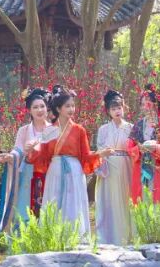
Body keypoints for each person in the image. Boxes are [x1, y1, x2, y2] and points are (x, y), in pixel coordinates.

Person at [27, 85, 112, 240]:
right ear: (58, 109)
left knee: (74, 203)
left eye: (73, 105)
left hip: (74, 171)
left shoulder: (79, 130)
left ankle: (75, 238)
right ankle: (53, 239)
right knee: (53, 201)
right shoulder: (49, 131)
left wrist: (100, 154)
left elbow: (85, 156)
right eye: (67, 106)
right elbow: (43, 156)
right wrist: (31, 151)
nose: (72, 109)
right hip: (55, 170)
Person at [0, 88, 52, 233]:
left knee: (47, 209)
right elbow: (18, 150)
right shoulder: (24, 130)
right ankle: (22, 241)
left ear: (47, 108)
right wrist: (11, 156)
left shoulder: (54, 130)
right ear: (29, 110)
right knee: (24, 209)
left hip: (48, 174)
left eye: (42, 106)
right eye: (35, 107)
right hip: (28, 174)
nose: (39, 110)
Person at [95, 90, 134, 245]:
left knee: (126, 198)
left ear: (124, 108)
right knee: (110, 200)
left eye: (119, 108)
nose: (117, 111)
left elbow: (134, 148)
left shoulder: (131, 127)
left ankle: (128, 237)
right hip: (109, 167)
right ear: (108, 111)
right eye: (113, 109)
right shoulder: (103, 129)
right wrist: (105, 154)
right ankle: (110, 237)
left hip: (126, 166)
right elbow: (99, 149)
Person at [130, 83, 160, 204]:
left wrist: (156, 147)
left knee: (158, 204)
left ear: (156, 104)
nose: (145, 107)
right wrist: (139, 149)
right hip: (140, 168)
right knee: (141, 205)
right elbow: (129, 148)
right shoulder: (138, 125)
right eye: (142, 104)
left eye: (148, 103)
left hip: (158, 168)